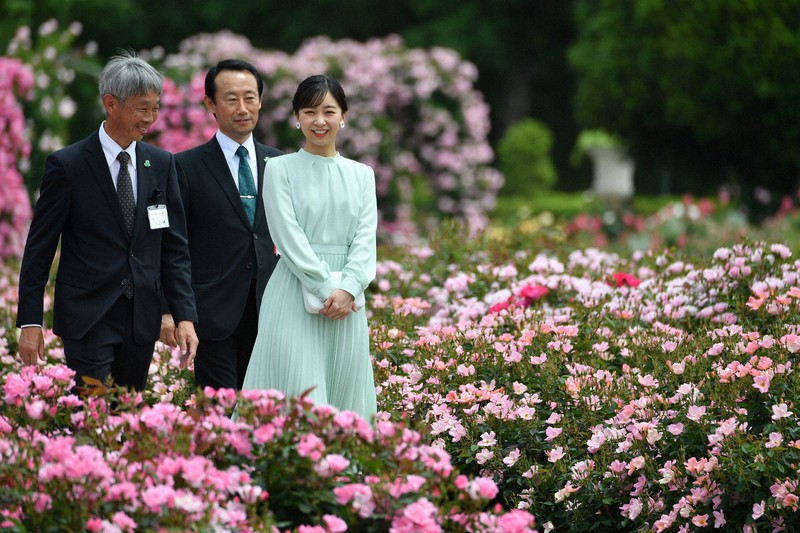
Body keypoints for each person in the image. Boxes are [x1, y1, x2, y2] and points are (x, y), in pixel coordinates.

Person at [16, 50, 199, 391]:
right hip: (88, 316)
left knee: (127, 417)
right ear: (111, 103)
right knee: (92, 412)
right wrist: (30, 321)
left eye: (156, 107)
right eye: (142, 108)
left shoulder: (161, 164)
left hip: (140, 320)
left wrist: (182, 314)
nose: (151, 117)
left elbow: (174, 249)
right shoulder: (68, 165)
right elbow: (40, 247)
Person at [241, 75, 377, 420]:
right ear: (296, 117)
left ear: (343, 116)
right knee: (297, 393)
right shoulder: (279, 169)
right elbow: (287, 236)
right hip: (293, 292)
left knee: (345, 391)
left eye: (329, 111)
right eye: (310, 111)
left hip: (347, 302)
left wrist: (348, 288)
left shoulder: (362, 174)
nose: (320, 121)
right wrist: (326, 287)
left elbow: (365, 239)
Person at [160, 59, 282, 391]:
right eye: (231, 99)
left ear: (260, 100)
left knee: (268, 418)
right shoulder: (184, 167)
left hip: (272, 314)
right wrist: (171, 311)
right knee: (219, 420)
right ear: (210, 104)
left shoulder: (283, 165)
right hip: (213, 318)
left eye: (250, 97)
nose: (242, 108)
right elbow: (173, 246)